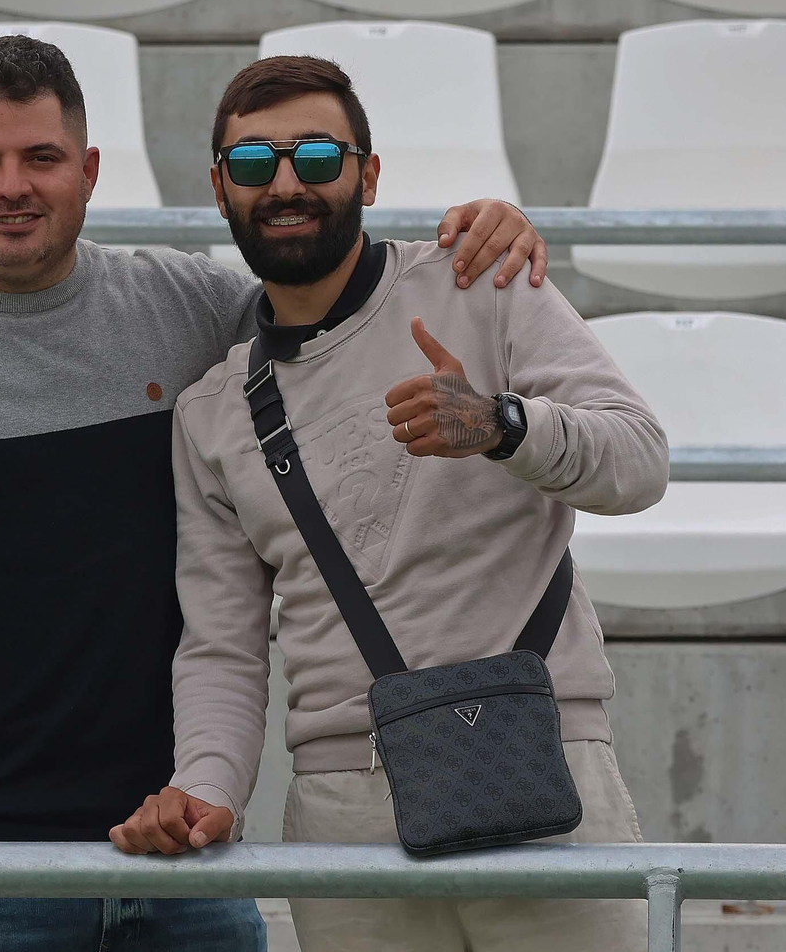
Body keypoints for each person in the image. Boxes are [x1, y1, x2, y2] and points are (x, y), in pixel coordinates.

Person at [0, 35, 547, 952]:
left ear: (86, 171)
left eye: (41, 158)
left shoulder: (186, 310)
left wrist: (479, 241)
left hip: (174, 850)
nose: (13, 185)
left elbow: (342, 306)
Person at [110, 55, 668, 952]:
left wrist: (503, 425)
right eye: (253, 165)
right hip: (344, 808)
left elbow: (640, 462)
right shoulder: (210, 410)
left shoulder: (480, 282)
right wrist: (207, 788)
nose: (286, 183)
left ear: (369, 172)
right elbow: (221, 644)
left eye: (318, 157)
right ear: (219, 189)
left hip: (543, 770)